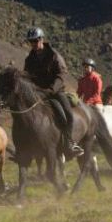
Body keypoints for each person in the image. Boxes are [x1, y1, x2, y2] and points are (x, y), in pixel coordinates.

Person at [23, 27, 83, 157]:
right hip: (37, 92)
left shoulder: (54, 55)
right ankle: (24, 148)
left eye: (35, 40)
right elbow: (27, 75)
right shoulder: (29, 59)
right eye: (31, 41)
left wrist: (51, 89)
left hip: (55, 91)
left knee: (68, 115)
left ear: (41, 39)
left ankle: (69, 144)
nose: (33, 44)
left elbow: (62, 74)